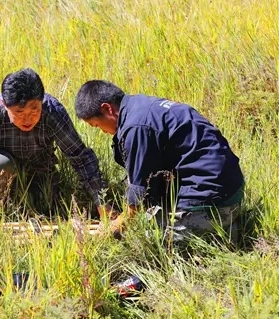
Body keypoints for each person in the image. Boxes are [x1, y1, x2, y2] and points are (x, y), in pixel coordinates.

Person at [74, 80, 245, 243]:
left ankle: (213, 229)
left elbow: (138, 197)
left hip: (211, 201)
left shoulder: (136, 127)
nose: (103, 132)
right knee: (148, 219)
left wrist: (111, 230)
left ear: (107, 109)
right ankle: (223, 226)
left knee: (142, 240)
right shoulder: (141, 106)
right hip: (229, 192)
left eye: (97, 125)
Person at [0, 68, 110, 222]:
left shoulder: (52, 111)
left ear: (42, 101)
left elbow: (80, 157)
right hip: (1, 172)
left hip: (39, 171)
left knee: (46, 208)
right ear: (4, 104)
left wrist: (101, 202)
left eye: (34, 111)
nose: (27, 119)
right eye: (19, 113)